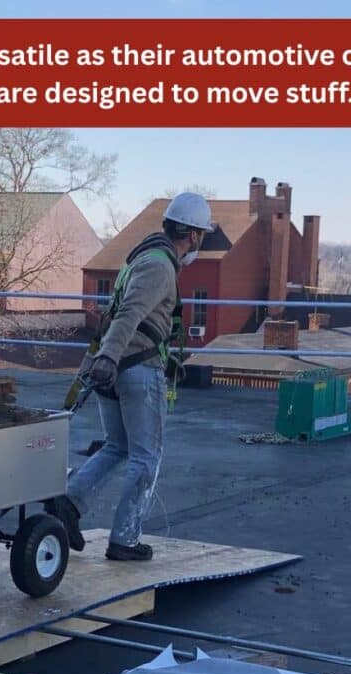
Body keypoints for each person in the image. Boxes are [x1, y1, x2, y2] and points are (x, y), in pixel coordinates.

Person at [48, 192, 214, 561]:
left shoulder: (140, 258)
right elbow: (129, 315)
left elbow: (118, 314)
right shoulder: (159, 266)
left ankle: (70, 501)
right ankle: (124, 538)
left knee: (117, 446)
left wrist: (102, 361)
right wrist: (107, 357)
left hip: (114, 368)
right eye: (201, 236)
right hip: (134, 369)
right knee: (146, 456)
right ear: (193, 235)